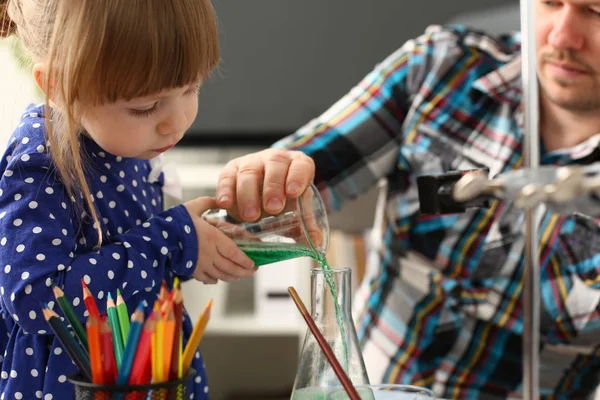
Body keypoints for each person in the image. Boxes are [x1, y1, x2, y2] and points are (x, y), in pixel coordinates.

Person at [216, 1, 600, 398]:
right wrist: (266, 184)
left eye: (596, 13)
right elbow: (278, 201)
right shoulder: (439, 69)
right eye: (551, 3)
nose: (562, 37)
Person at [0, 0, 256, 398]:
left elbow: (130, 261)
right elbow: (36, 302)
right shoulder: (41, 163)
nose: (178, 120)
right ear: (59, 86)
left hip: (148, 371)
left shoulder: (131, 144)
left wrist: (193, 246)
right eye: (146, 106)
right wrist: (170, 242)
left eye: (192, 87)